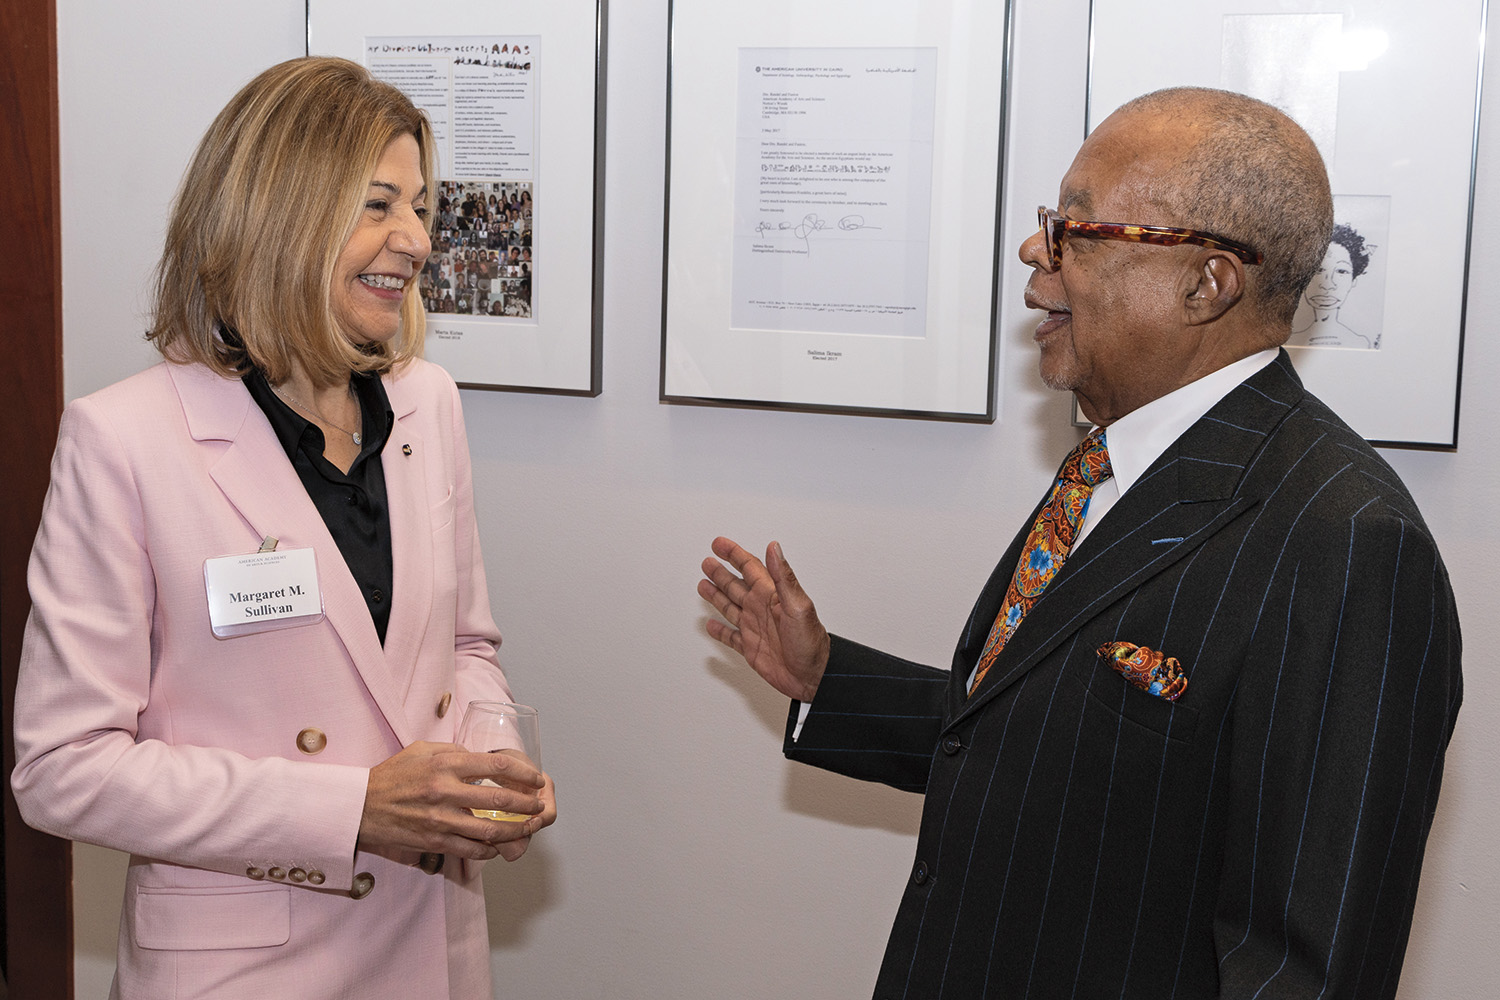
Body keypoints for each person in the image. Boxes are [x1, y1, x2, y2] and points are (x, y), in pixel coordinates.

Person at [700, 87, 1460, 1000]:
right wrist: (831, 679)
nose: (1034, 253)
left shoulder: (1346, 544)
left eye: (1076, 229)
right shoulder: (1114, 464)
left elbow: (1306, 968)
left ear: (1206, 283)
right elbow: (1061, 754)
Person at [11, 57, 556, 999]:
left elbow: (461, 646)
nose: (418, 240)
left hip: (430, 943)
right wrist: (349, 808)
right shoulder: (126, 439)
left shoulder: (428, 404)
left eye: (421, 206)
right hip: (244, 966)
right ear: (279, 215)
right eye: (378, 204)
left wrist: (493, 755)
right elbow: (62, 769)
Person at [1292, 223, 1375, 348]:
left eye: (1341, 271)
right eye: (1318, 270)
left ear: (1353, 281)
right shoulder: (1286, 344)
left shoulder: (1361, 343)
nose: (1328, 284)